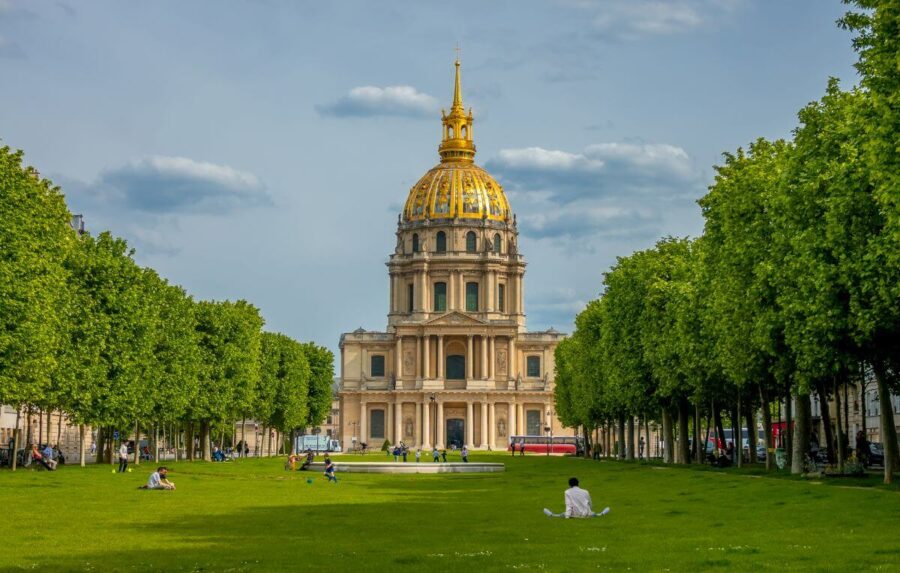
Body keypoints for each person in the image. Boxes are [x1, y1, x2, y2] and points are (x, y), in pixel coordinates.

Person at [543, 477, 610, 518]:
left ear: (569, 485)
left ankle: (552, 515)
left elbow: (568, 506)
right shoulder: (585, 491)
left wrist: (567, 517)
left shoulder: (567, 492)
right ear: (578, 483)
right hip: (586, 514)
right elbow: (590, 503)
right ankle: (601, 514)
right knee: (597, 514)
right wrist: (590, 511)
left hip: (574, 514)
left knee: (561, 514)